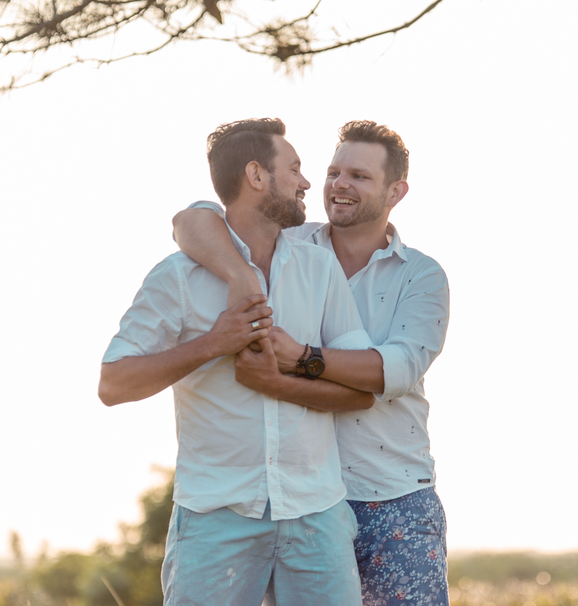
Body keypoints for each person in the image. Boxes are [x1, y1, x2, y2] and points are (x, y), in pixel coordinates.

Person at [99, 118, 379, 606]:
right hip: (214, 518)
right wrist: (213, 342)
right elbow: (113, 383)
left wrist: (286, 376)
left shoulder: (319, 267)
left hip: (317, 514)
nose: (306, 182)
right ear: (256, 175)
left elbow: (361, 390)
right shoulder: (178, 277)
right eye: (293, 168)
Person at [173, 120, 451, 606]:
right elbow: (190, 220)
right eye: (333, 171)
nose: (339, 184)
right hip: (295, 504)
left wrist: (301, 359)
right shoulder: (289, 243)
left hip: (393, 496)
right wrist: (240, 276)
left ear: (396, 191)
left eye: (359, 176)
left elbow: (396, 372)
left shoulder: (422, 276)